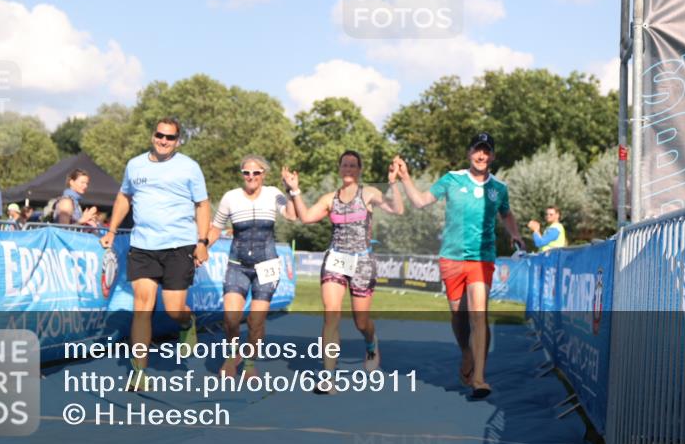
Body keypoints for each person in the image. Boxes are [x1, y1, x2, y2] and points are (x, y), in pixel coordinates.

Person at [395, 132, 525, 399]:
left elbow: (506, 213)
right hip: (451, 258)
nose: (482, 155)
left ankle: (479, 378)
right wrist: (406, 177)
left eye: (487, 151)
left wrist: (514, 233)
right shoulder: (451, 179)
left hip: (481, 257)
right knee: (459, 316)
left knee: (479, 314)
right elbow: (420, 201)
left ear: (493, 156)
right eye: (478, 150)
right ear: (470, 153)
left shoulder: (498, 188)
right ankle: (467, 352)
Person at [99, 118, 211, 391]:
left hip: (178, 246)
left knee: (174, 309)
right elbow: (124, 197)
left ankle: (187, 322)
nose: (164, 141)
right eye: (160, 135)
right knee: (142, 307)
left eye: (170, 137)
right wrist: (111, 230)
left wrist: (202, 241)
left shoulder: (189, 167)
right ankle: (139, 372)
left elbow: (203, 204)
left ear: (178, 141)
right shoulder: (135, 165)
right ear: (152, 136)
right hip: (142, 246)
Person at [284, 150, 403, 393]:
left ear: (359, 170)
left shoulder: (368, 193)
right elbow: (306, 217)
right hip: (336, 259)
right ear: (339, 169)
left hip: (362, 261)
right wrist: (294, 191)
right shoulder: (330, 198)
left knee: (361, 321)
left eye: (353, 165)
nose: (348, 169)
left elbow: (397, 209)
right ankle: (328, 376)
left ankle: (371, 342)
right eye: (344, 165)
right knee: (331, 314)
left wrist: (394, 183)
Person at [206, 155, 298, 379]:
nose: (251, 177)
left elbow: (293, 216)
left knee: (256, 320)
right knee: (230, 317)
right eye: (246, 173)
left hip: (267, 264)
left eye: (256, 173)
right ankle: (233, 353)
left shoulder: (273, 193)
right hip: (238, 264)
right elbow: (216, 228)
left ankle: (249, 362)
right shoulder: (231, 197)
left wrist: (292, 191)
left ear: (263, 175)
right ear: (242, 175)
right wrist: (202, 247)